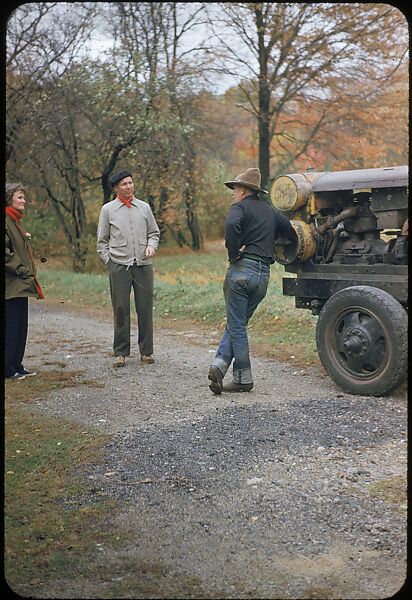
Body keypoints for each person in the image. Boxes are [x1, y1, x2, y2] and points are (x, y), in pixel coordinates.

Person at [208, 167, 296, 394]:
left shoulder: (239, 207)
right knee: (237, 323)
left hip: (242, 270)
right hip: (263, 276)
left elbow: (230, 226)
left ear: (245, 190)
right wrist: (271, 241)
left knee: (236, 326)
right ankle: (219, 365)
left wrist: (234, 253)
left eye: (235, 188)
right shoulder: (270, 212)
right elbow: (290, 232)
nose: (233, 192)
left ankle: (243, 378)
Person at [97, 170, 160, 368]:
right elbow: (102, 241)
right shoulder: (108, 210)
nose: (129, 187)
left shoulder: (144, 208)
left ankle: (146, 352)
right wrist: (110, 262)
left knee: (145, 309)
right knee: (121, 309)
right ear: (116, 188)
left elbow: (154, 233)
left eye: (131, 183)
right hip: (119, 266)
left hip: (143, 266)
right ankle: (120, 353)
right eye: (124, 184)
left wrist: (151, 246)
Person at [5, 183, 45, 380]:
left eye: (23, 197)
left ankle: (16, 365)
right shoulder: (6, 221)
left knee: (21, 327)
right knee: (11, 327)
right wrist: (22, 270)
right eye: (19, 197)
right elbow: (6, 255)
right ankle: (7, 368)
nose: (24, 201)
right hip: (11, 285)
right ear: (9, 198)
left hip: (21, 284)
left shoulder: (16, 221)